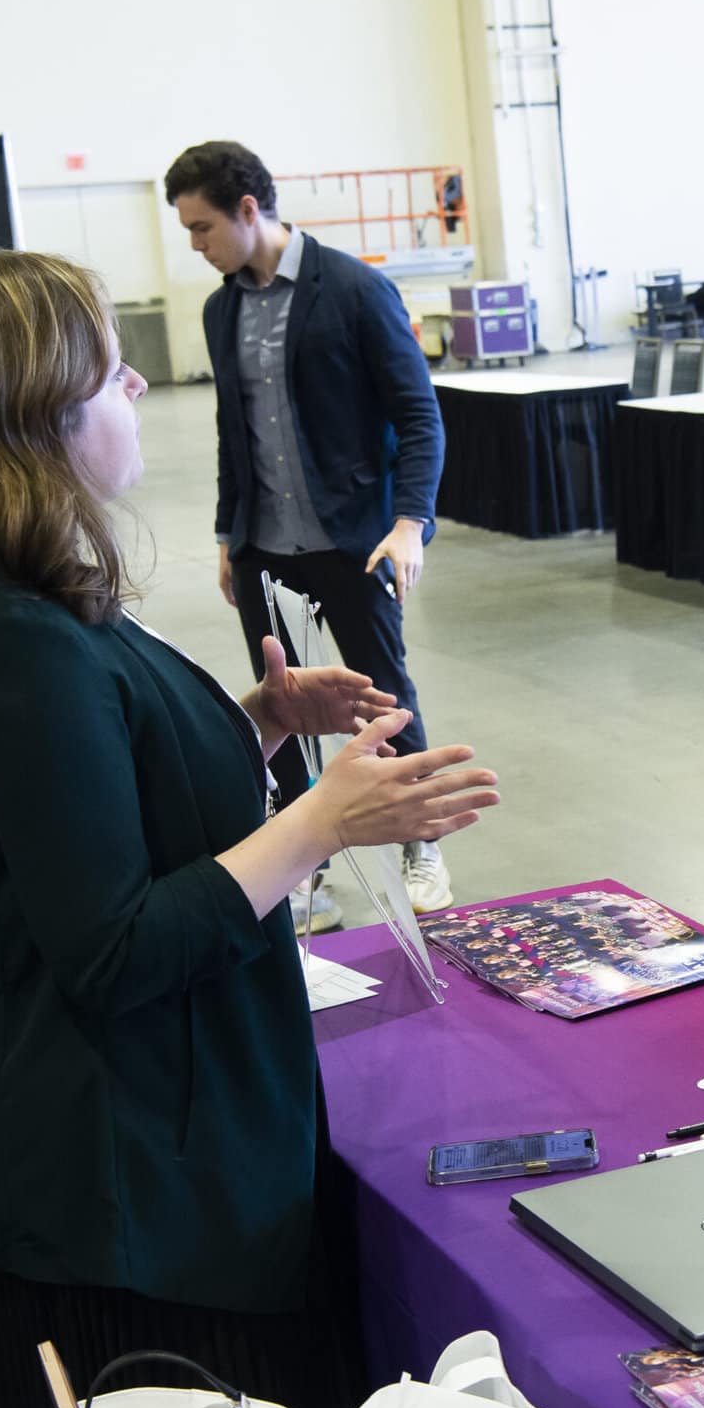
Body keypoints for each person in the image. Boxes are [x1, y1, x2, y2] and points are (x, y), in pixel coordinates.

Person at [0, 249, 499, 1408]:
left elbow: (91, 799)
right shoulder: (14, 638)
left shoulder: (25, 599)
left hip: (130, 1152)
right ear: (25, 421)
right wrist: (322, 822)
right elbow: (114, 947)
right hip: (121, 1195)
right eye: (105, 372)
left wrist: (259, 725)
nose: (138, 385)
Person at [165, 140, 456, 923]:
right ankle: (302, 866)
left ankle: (421, 840)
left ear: (248, 210)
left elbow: (418, 416)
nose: (195, 246)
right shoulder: (221, 307)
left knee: (379, 694)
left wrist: (409, 524)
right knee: (285, 704)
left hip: (353, 541)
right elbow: (236, 432)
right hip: (264, 547)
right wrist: (231, 535)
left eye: (201, 228)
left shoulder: (356, 289)